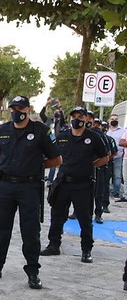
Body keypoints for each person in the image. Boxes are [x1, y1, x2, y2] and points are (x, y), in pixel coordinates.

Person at [0, 96, 61, 289]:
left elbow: (56, 159)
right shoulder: (3, 130)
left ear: (28, 109)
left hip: (29, 187)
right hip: (5, 185)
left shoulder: (40, 131)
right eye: (13, 108)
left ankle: (33, 271)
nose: (17, 111)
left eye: (20, 108)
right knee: (1, 228)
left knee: (30, 231)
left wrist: (35, 166)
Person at [40, 106, 109, 263]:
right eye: (74, 116)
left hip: (83, 184)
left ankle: (86, 250)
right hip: (63, 182)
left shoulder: (93, 138)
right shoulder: (63, 136)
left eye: (80, 116)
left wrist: (89, 166)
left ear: (86, 119)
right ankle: (54, 244)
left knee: (85, 219)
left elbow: (105, 157)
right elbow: (53, 154)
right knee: (57, 216)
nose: (76, 119)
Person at [106, 114, 124, 199]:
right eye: (112, 119)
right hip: (108, 156)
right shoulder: (106, 131)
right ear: (109, 120)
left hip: (118, 155)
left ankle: (116, 192)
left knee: (117, 174)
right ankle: (107, 190)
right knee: (107, 174)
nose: (114, 120)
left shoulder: (123, 131)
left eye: (116, 119)